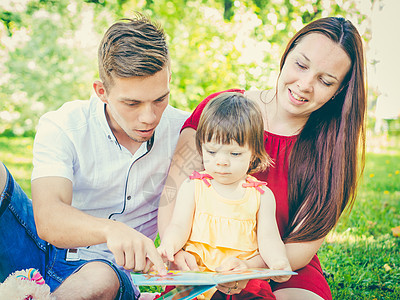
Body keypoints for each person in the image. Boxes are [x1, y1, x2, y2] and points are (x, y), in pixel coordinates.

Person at [158, 16, 366, 300]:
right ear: (286, 54)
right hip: (202, 258)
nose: (305, 84)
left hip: (278, 264)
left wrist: (247, 269)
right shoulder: (219, 110)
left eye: (325, 80)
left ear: (339, 90)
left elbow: (300, 249)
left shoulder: (331, 150)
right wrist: (178, 252)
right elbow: (173, 193)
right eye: (301, 65)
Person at [0, 13, 189, 300]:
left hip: (108, 274)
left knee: (99, 276)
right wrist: (110, 230)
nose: (149, 117)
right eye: (132, 103)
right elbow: (48, 218)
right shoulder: (64, 124)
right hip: (39, 251)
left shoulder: (185, 134)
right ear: (101, 91)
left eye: (160, 99)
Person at [158, 92, 292, 299]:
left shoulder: (261, 194)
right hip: (196, 277)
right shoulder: (194, 186)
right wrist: (169, 245)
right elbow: (178, 226)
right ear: (201, 146)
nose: (221, 161)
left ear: (254, 153)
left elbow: (269, 238)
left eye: (235, 154)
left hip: (241, 280)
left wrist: (278, 261)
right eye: (211, 152)